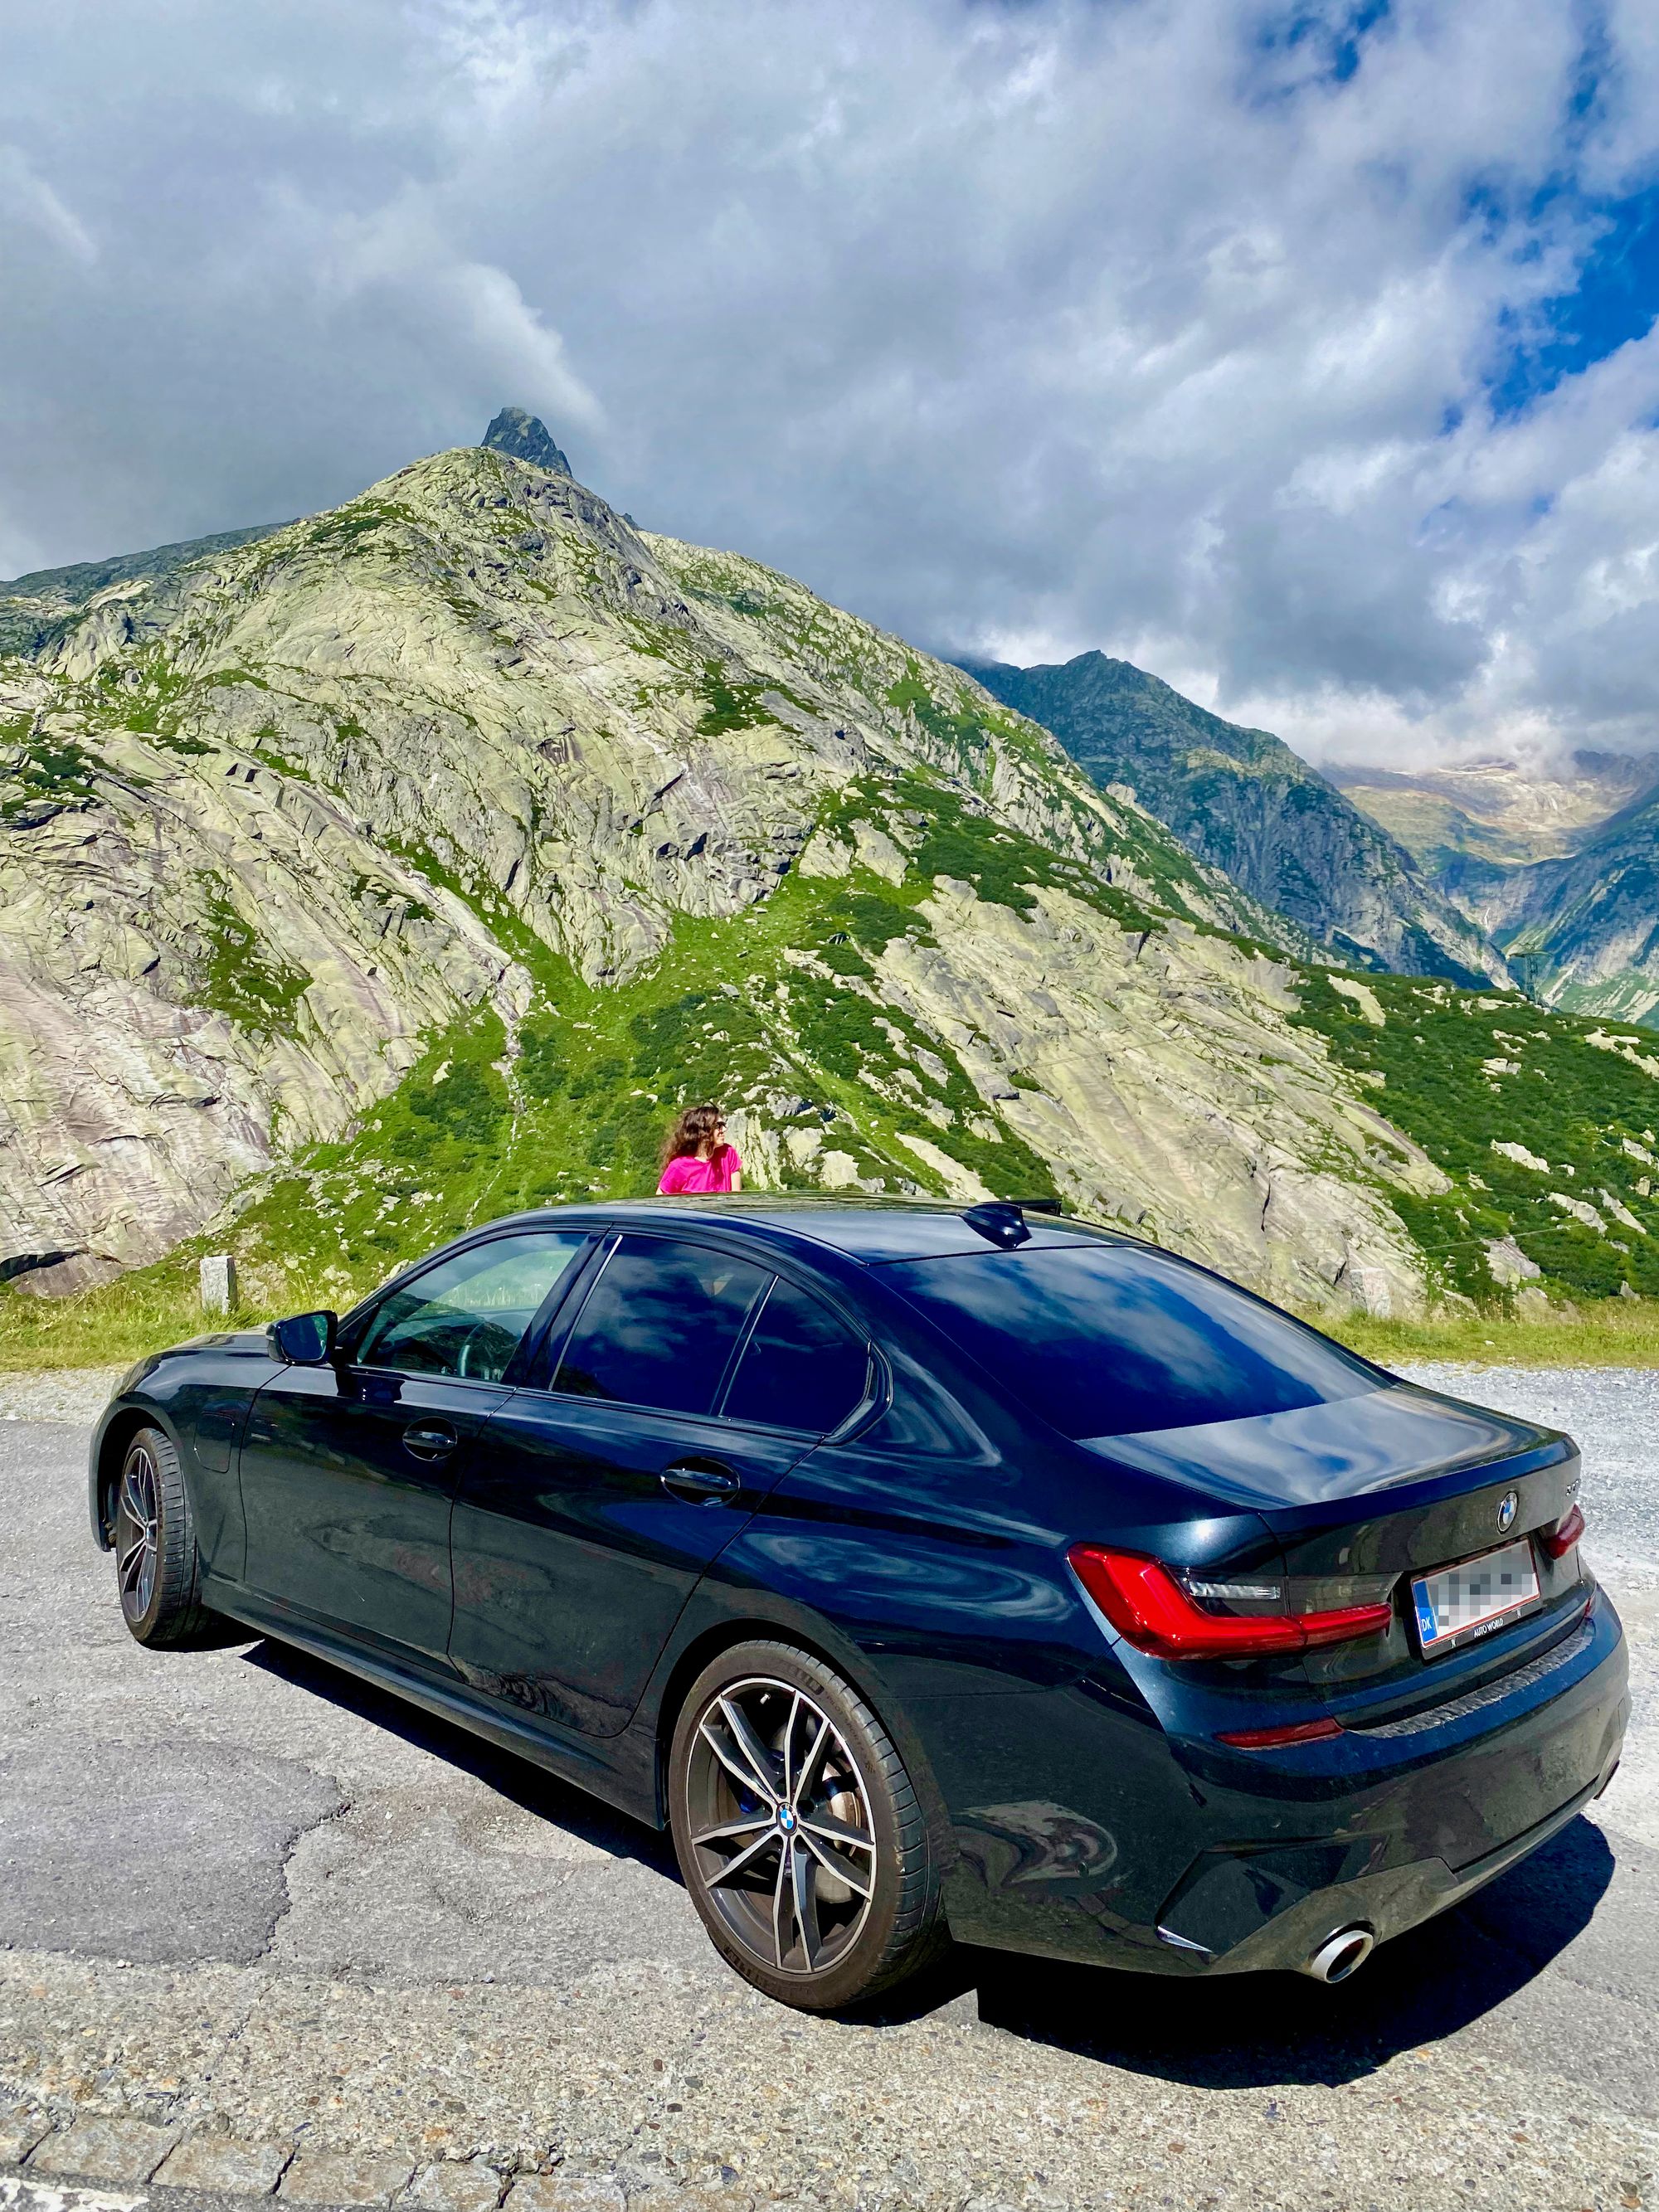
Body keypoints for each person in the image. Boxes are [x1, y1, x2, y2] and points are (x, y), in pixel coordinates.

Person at [657, 1104, 743, 1194]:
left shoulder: (728, 1153)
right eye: (719, 1126)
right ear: (703, 1130)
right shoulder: (679, 1166)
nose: (724, 1129)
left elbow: (736, 1197)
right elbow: (660, 1201)